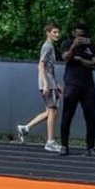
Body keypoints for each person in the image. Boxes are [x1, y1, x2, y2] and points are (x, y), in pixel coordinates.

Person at [16, 21, 63, 151]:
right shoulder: (47, 46)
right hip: (48, 84)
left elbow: (48, 68)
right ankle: (50, 142)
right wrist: (46, 83)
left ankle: (25, 128)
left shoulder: (50, 47)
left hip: (50, 83)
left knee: (49, 111)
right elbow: (41, 65)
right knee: (53, 111)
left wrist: (56, 83)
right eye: (54, 32)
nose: (57, 34)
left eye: (58, 32)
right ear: (48, 33)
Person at [58, 21, 95, 156]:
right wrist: (73, 47)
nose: (80, 38)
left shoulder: (92, 46)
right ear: (73, 33)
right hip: (72, 84)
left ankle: (90, 147)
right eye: (78, 35)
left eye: (83, 35)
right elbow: (66, 58)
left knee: (91, 117)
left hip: (88, 85)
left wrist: (80, 59)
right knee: (67, 116)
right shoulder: (67, 44)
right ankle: (64, 146)